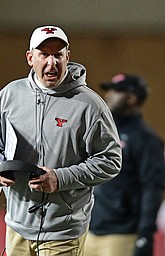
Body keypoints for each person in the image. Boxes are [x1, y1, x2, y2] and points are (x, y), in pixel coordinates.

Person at [0, 25, 122, 256]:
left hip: (63, 231)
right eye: (44, 54)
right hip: (17, 225)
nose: (52, 62)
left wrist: (61, 178)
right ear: (30, 58)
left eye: (58, 54)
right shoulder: (9, 95)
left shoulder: (90, 105)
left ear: (68, 57)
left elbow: (111, 160)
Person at [84, 73, 165, 256]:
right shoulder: (101, 130)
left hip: (121, 234)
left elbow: (152, 187)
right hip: (90, 229)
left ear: (131, 98)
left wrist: (146, 233)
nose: (108, 96)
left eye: (116, 91)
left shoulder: (145, 138)